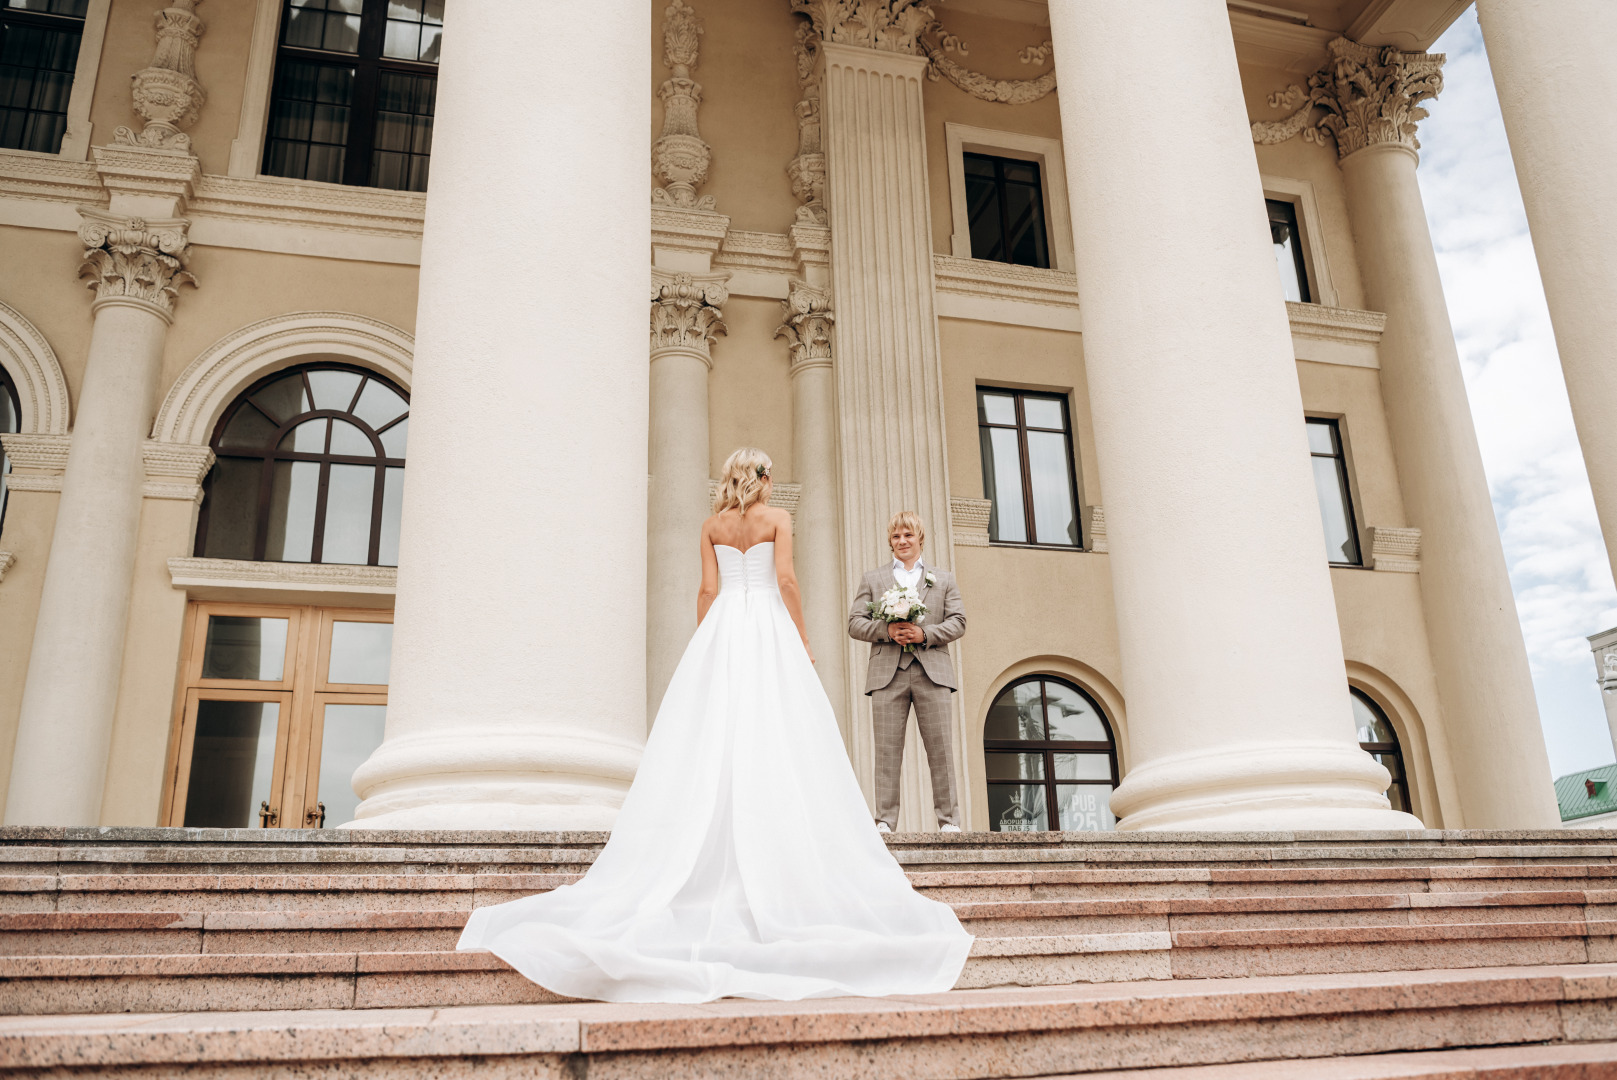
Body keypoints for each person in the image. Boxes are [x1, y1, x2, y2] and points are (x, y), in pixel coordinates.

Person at [457, 448, 972, 1003]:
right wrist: (800, 637)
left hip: (724, 624)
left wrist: (706, 640)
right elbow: (788, 581)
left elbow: (706, 591)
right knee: (781, 730)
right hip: (769, 626)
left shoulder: (711, 525)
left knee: (714, 731)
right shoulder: (777, 519)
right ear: (765, 479)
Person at [848, 512, 967, 834]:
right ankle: (885, 821)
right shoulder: (873, 579)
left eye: (908, 536)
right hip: (888, 674)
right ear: (890, 541)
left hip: (933, 673)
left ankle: (949, 821)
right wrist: (887, 630)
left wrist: (924, 634)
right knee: (886, 752)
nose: (902, 541)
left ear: (920, 539)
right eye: (896, 536)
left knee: (941, 750)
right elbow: (855, 623)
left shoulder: (944, 579)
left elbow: (958, 621)